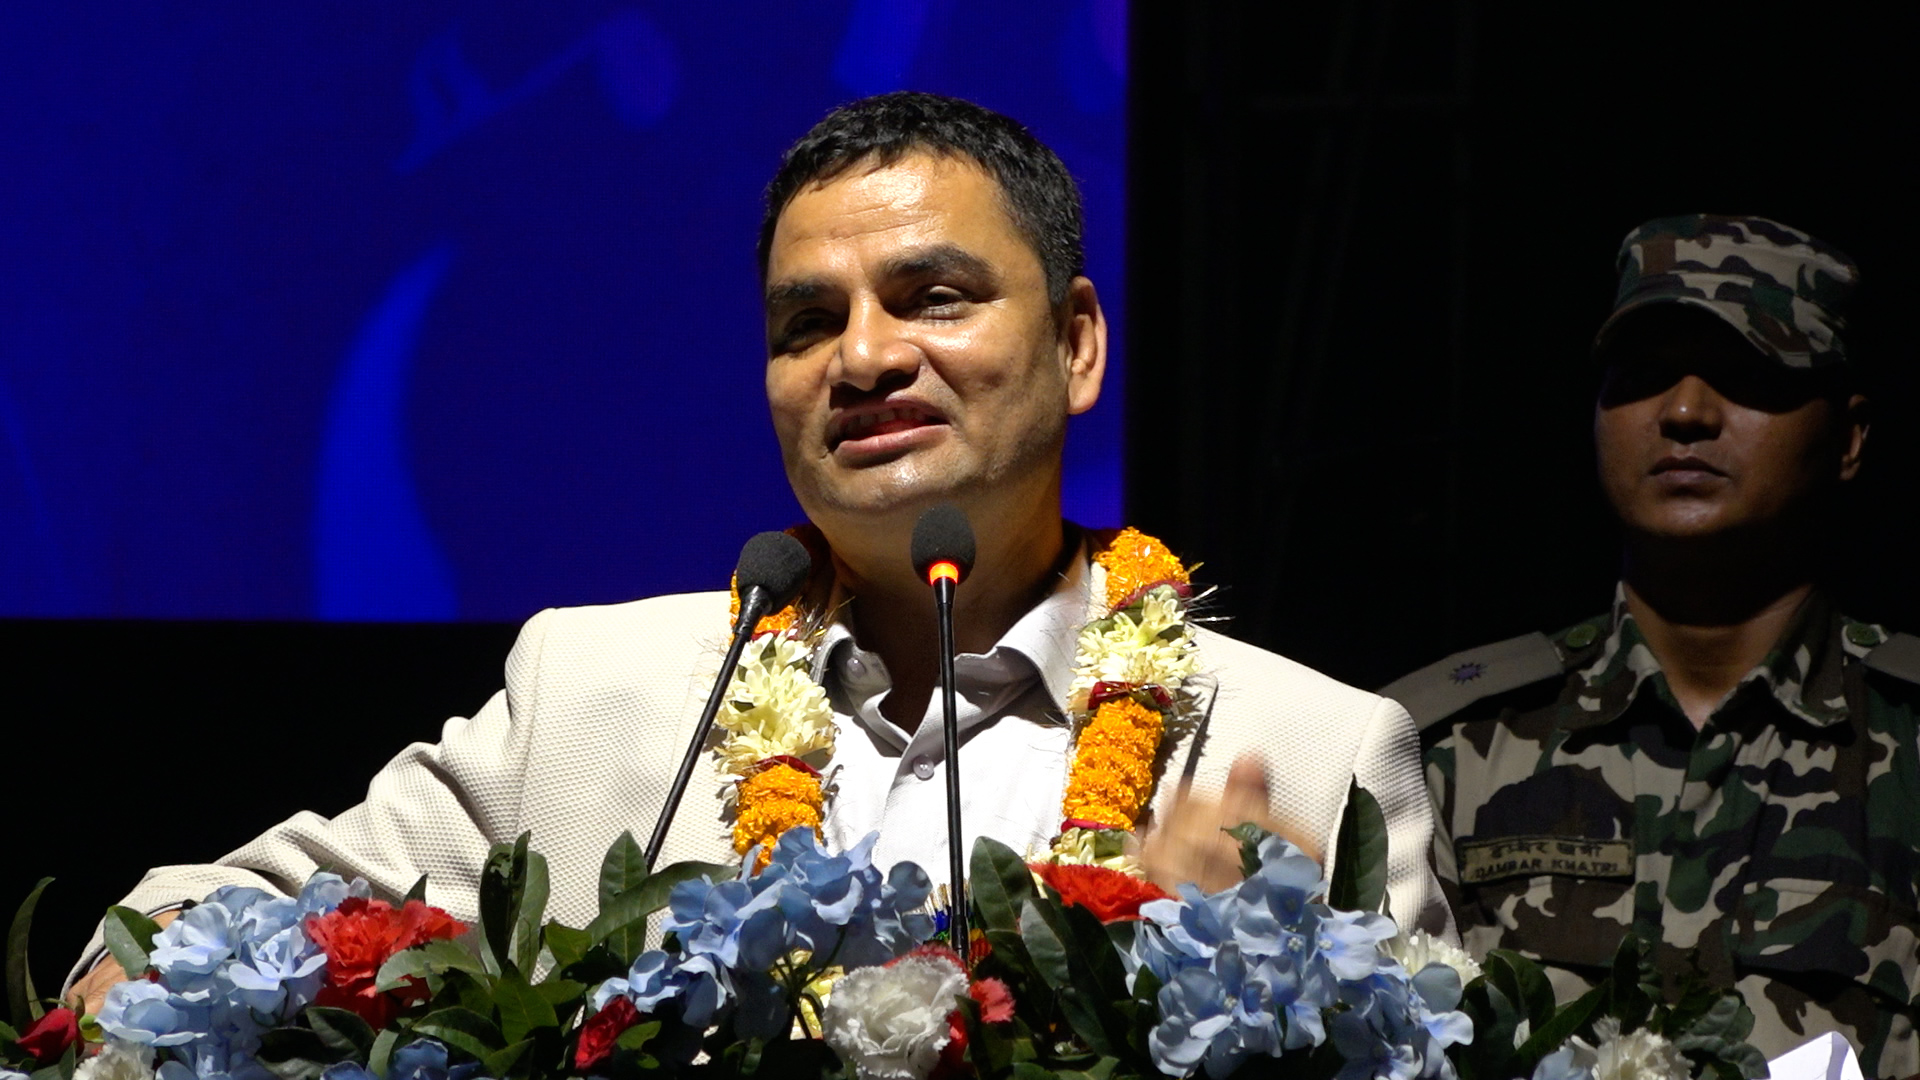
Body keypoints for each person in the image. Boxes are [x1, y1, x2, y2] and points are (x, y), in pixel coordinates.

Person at [71, 92, 1450, 1007]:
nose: (864, 356)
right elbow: (184, 925)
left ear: (1078, 345)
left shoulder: (1314, 749)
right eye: (807, 323)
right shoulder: (590, 692)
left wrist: (1266, 996)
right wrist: (155, 985)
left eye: (933, 297)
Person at [1385, 214, 1919, 1075]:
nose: (1684, 413)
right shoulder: (1440, 744)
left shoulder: (1907, 739)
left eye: (1747, 377)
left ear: (1850, 437)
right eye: (1642, 378)